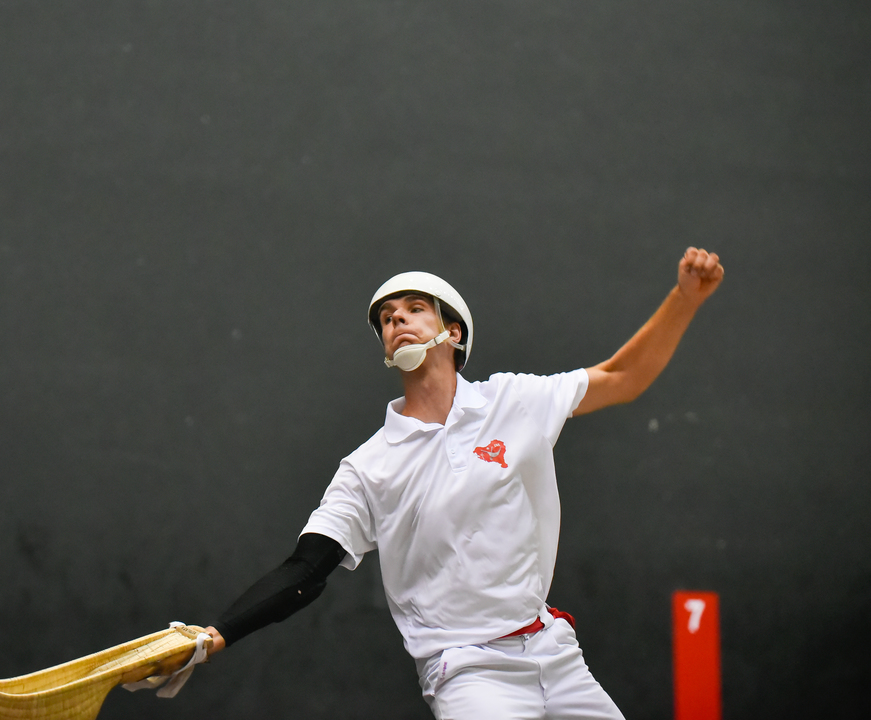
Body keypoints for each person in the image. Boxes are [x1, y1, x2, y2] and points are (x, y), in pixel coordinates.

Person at [201, 248, 724, 719]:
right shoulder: (367, 468)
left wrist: (685, 298)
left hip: (554, 653)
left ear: (453, 332)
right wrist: (216, 634)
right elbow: (305, 569)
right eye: (387, 317)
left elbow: (623, 377)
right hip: (469, 673)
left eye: (414, 308)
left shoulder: (512, 401)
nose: (396, 319)